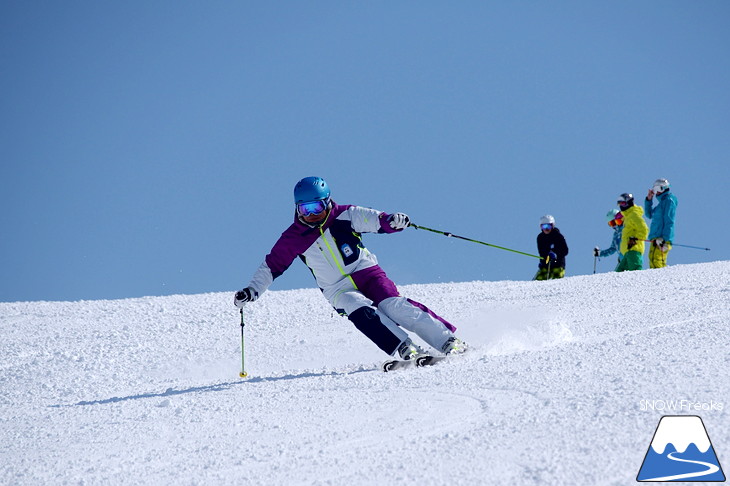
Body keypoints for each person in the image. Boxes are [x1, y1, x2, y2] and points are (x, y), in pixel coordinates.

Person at [233, 176, 467, 362]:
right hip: (336, 288)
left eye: (316, 207)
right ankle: (405, 348)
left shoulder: (344, 215)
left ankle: (447, 341)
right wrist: (252, 290)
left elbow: (376, 220)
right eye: (305, 210)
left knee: (393, 305)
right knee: (360, 310)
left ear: (327, 202)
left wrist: (393, 221)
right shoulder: (293, 237)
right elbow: (271, 266)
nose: (312, 215)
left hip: (366, 272)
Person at [644, 178, 678, 269]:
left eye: (656, 190)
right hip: (655, 238)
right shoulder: (660, 205)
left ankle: (662, 280)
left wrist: (665, 239)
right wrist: (649, 199)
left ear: (662, 188)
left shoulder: (669, 201)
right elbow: (649, 214)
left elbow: (669, 221)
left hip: (662, 240)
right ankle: (654, 281)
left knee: (657, 260)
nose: (655, 193)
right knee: (652, 259)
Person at [615, 193, 649, 272]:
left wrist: (635, 239)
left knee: (635, 273)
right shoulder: (627, 217)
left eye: (623, 203)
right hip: (627, 252)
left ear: (629, 203)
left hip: (634, 251)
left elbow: (644, 229)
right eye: (619, 204)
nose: (621, 206)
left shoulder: (634, 215)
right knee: (617, 276)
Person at [534, 214, 569, 280]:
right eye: (544, 226)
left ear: (552, 226)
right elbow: (541, 252)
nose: (546, 229)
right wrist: (543, 260)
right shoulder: (540, 238)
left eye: (548, 226)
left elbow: (565, 250)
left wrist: (555, 253)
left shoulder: (558, 236)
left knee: (555, 280)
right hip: (546, 265)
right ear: (541, 227)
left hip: (558, 265)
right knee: (538, 281)